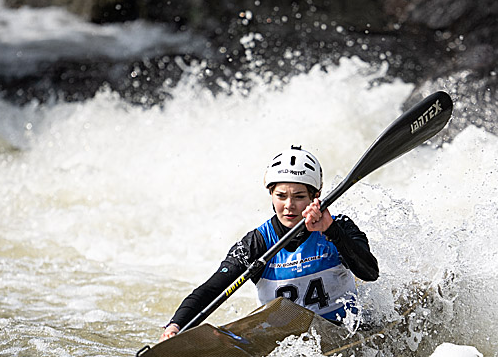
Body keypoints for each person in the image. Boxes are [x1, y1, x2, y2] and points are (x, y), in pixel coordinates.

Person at [160, 146, 379, 341]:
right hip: (286, 343)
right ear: (271, 195)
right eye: (281, 195)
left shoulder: (338, 227)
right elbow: (211, 289)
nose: (289, 206)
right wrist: (175, 325)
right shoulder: (256, 243)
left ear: (316, 196)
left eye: (299, 196)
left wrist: (332, 231)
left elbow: (370, 272)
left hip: (341, 331)